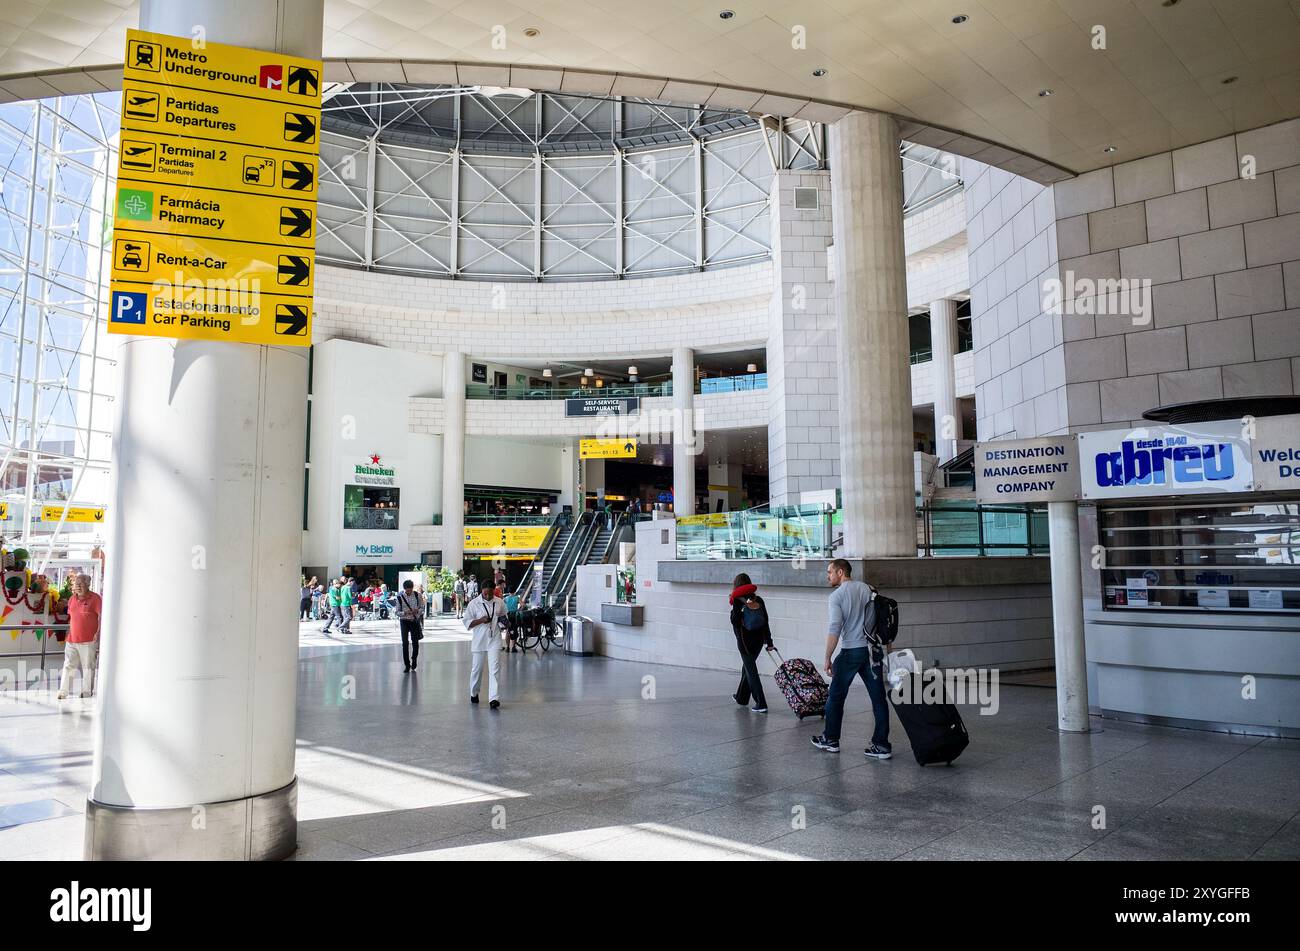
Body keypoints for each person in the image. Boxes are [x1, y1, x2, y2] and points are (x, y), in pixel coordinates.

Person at [811, 559, 891, 759]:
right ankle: (881, 746)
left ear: (840, 572)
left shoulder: (836, 596)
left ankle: (831, 739)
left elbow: (835, 628)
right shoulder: (868, 589)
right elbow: (881, 620)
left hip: (851, 651)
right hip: (872, 652)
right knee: (879, 698)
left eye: (829, 572)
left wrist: (828, 656)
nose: (827, 576)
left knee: (836, 697)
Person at [728, 572, 775, 713]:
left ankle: (761, 703)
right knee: (746, 668)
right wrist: (769, 642)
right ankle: (741, 697)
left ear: (736, 585)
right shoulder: (758, 600)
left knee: (751, 671)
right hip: (759, 641)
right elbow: (765, 621)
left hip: (744, 642)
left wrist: (734, 611)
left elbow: (735, 621)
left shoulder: (737, 600)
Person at [58, 573, 101, 700]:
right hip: (72, 639)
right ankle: (63, 692)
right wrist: (68, 632)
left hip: (88, 640)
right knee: (68, 665)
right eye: (76, 584)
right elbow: (72, 618)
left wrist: (98, 632)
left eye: (81, 584)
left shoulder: (96, 599)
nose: (78, 587)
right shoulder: (72, 599)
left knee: (88, 667)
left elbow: (102, 617)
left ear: (88, 584)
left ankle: (86, 692)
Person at [464, 580, 506, 709]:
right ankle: (474, 692)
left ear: (494, 591)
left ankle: (494, 698)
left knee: (494, 670)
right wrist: (481, 620)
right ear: (481, 591)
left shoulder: (499, 602)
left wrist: (504, 623)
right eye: (485, 593)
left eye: (490, 593)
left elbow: (503, 616)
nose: (488, 596)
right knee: (477, 669)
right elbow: (467, 623)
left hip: (495, 638)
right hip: (479, 641)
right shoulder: (473, 603)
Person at [396, 579, 424, 673]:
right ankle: (407, 664)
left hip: (414, 621)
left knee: (415, 642)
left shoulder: (417, 595)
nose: (409, 592)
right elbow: (397, 612)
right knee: (405, 643)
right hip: (404, 621)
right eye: (407, 590)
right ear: (404, 589)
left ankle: (414, 659)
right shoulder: (400, 597)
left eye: (410, 590)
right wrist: (405, 612)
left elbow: (422, 607)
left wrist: (417, 611)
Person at [503, 588, 521, 652]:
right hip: (514, 615)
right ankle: (513, 647)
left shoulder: (505, 598)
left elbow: (502, 605)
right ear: (515, 591)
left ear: (509, 591)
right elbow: (523, 605)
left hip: (507, 615)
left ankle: (507, 647)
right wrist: (519, 610)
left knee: (508, 631)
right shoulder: (517, 598)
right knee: (514, 630)